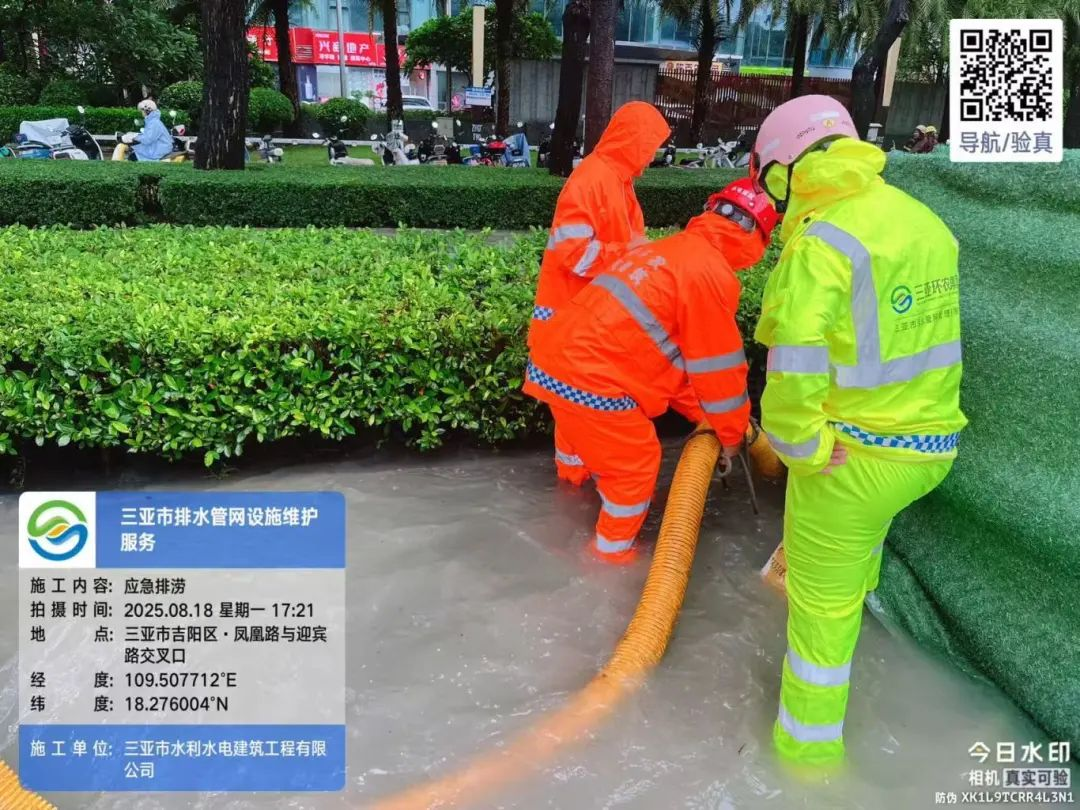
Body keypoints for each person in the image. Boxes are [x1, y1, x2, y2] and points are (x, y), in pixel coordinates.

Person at [748, 95, 967, 766]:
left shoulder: (822, 243)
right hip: (930, 448)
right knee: (853, 565)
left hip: (853, 458)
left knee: (822, 620)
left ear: (784, 172)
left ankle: (806, 762)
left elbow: (795, 366)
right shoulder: (922, 220)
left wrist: (804, 450)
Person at [523, 179, 778, 564]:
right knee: (635, 471)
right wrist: (729, 435)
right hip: (594, 380)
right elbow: (718, 370)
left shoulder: (667, 250)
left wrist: (703, 415)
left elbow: (664, 360)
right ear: (756, 239)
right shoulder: (710, 274)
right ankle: (608, 561)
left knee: (579, 444)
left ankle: (571, 494)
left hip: (553, 362)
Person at [528, 101, 698, 487]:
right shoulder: (594, 179)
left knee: (574, 405)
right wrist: (631, 254)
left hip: (585, 319)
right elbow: (572, 251)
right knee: (574, 406)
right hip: (573, 318)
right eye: (650, 145)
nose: (652, 155)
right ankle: (575, 477)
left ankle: (573, 479)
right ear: (633, 142)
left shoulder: (617, 180)